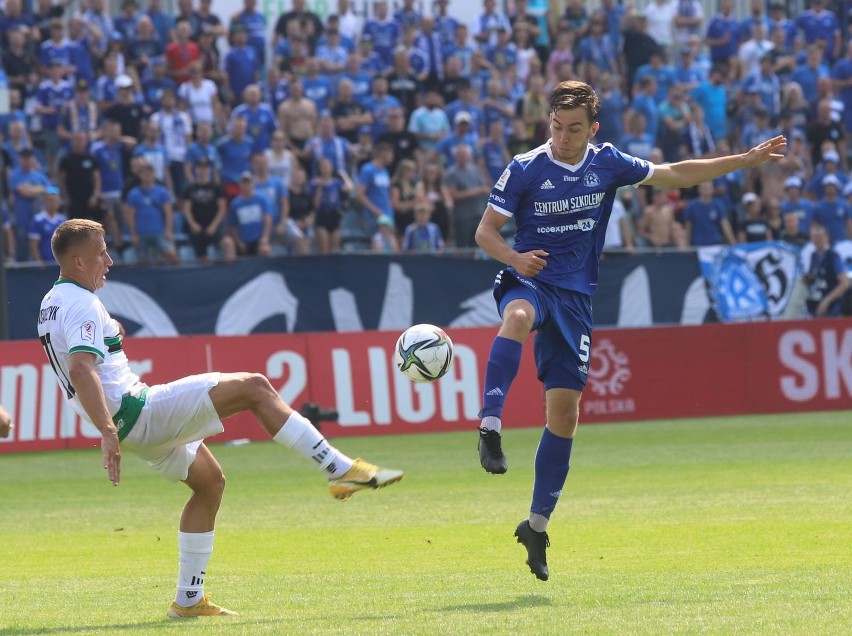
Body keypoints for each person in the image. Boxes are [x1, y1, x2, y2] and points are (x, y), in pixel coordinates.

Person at [473, 80, 786, 581]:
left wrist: (743, 161)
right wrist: (514, 257)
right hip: (529, 278)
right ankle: (489, 426)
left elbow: (675, 174)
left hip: (575, 299)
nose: (563, 137)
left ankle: (536, 525)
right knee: (515, 318)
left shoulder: (608, 162)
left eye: (574, 129)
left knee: (565, 415)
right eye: (556, 126)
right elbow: (484, 230)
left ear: (592, 128)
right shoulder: (526, 167)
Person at [37, 218, 403, 617]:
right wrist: (107, 429)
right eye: (101, 253)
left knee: (210, 484)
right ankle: (339, 469)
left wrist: (110, 334)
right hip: (136, 412)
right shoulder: (83, 302)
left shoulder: (53, 302)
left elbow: (81, 351)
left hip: (130, 427)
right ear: (77, 261)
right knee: (255, 387)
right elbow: (80, 368)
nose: (109, 260)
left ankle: (188, 600)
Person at [803, 221, 850, 317]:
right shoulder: (813, 256)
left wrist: (827, 300)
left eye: (819, 237)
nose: (817, 240)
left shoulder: (832, 256)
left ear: (826, 237)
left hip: (830, 308)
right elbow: (812, 276)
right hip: (814, 305)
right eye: (814, 237)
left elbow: (845, 283)